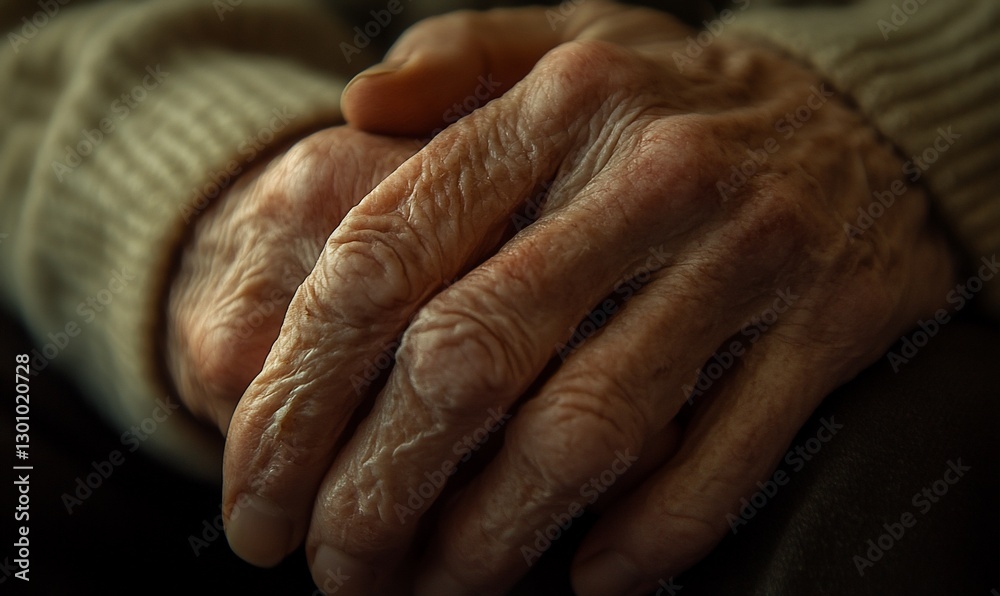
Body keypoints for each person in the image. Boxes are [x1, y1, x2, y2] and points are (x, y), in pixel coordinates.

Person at [1, 0, 997, 594]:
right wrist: (186, 175)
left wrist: (891, 98)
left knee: (875, 469)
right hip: (235, 124)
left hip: (906, 198)